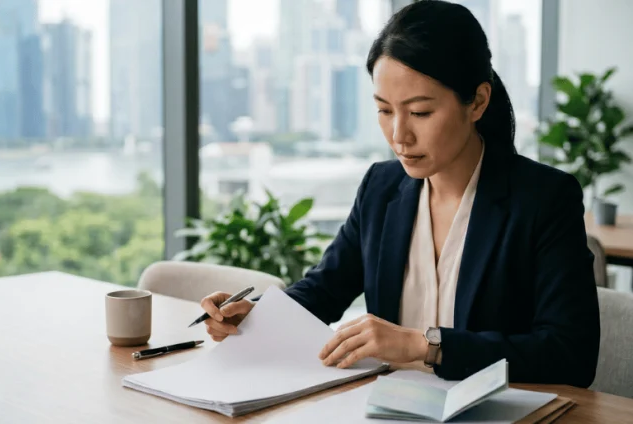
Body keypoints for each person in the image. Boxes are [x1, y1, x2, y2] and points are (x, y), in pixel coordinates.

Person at [200, 0, 600, 387]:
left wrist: (426, 345)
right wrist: (256, 317)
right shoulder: (381, 188)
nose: (399, 135)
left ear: (477, 102)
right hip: (387, 408)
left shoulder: (544, 199)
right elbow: (324, 289)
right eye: (384, 110)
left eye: (420, 112)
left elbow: (570, 355)